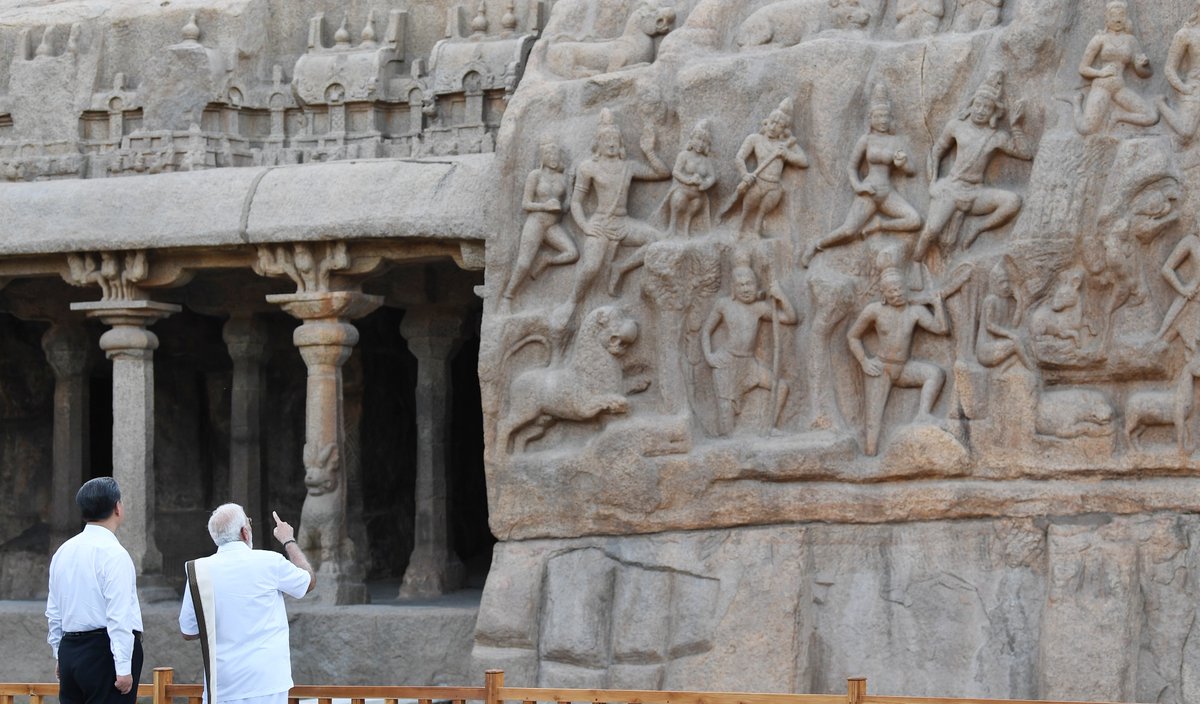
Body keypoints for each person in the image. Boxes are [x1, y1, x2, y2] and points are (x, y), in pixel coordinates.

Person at [179, 505, 316, 704]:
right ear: (244, 532)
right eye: (249, 522)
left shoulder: (198, 570)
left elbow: (188, 631)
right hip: (267, 681)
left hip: (222, 684)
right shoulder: (270, 562)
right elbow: (308, 581)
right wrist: (288, 540)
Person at [913, 70, 1033, 261]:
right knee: (931, 232)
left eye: (987, 107)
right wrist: (932, 182)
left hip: (976, 192)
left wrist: (1016, 126)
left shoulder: (996, 137)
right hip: (951, 189)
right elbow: (935, 153)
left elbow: (1026, 154)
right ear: (971, 105)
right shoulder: (956, 126)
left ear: (994, 112)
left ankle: (978, 228)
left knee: (1013, 202)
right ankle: (916, 262)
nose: (980, 110)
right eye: (978, 105)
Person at [46, 477, 144, 704]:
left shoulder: (63, 551)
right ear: (117, 507)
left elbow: (54, 610)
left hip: (71, 649)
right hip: (104, 652)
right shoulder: (114, 554)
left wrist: (59, 653)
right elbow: (119, 615)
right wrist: (123, 667)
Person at [802, 84, 921, 267]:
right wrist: (859, 186)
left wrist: (902, 163)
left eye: (886, 117)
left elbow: (911, 171)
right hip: (870, 192)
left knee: (914, 220)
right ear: (871, 118)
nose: (883, 120)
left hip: (887, 193)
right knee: (849, 231)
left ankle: (880, 225)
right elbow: (851, 167)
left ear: (891, 119)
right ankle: (816, 246)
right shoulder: (866, 140)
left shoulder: (895, 141)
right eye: (878, 116)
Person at [847, 266, 949, 456]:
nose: (898, 294)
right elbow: (852, 336)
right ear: (883, 294)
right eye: (892, 291)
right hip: (880, 368)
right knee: (873, 420)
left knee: (935, 374)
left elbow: (941, 329)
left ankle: (923, 414)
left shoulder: (915, 311)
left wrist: (937, 304)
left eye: (900, 289)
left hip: (903, 368)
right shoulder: (874, 310)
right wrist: (864, 361)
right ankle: (870, 456)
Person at [701, 256, 798, 435]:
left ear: (755, 285)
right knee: (726, 415)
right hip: (727, 363)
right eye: (741, 285)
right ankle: (728, 444)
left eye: (749, 284)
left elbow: (791, 318)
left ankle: (772, 427)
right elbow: (706, 331)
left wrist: (781, 295)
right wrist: (709, 356)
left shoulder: (759, 308)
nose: (746, 288)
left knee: (781, 386)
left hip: (749, 364)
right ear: (733, 288)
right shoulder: (724, 305)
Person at [1070, 0, 1156, 135]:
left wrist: (1142, 65)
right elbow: (1083, 68)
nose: (1117, 19)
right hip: (1101, 86)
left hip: (1119, 87)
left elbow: (1144, 74)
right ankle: (1076, 102)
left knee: (1151, 116)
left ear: (1126, 17)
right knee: (1087, 129)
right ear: (1107, 18)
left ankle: (1118, 115)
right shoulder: (1100, 39)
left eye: (1121, 15)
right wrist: (1100, 73)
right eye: (1114, 15)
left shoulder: (1131, 40)